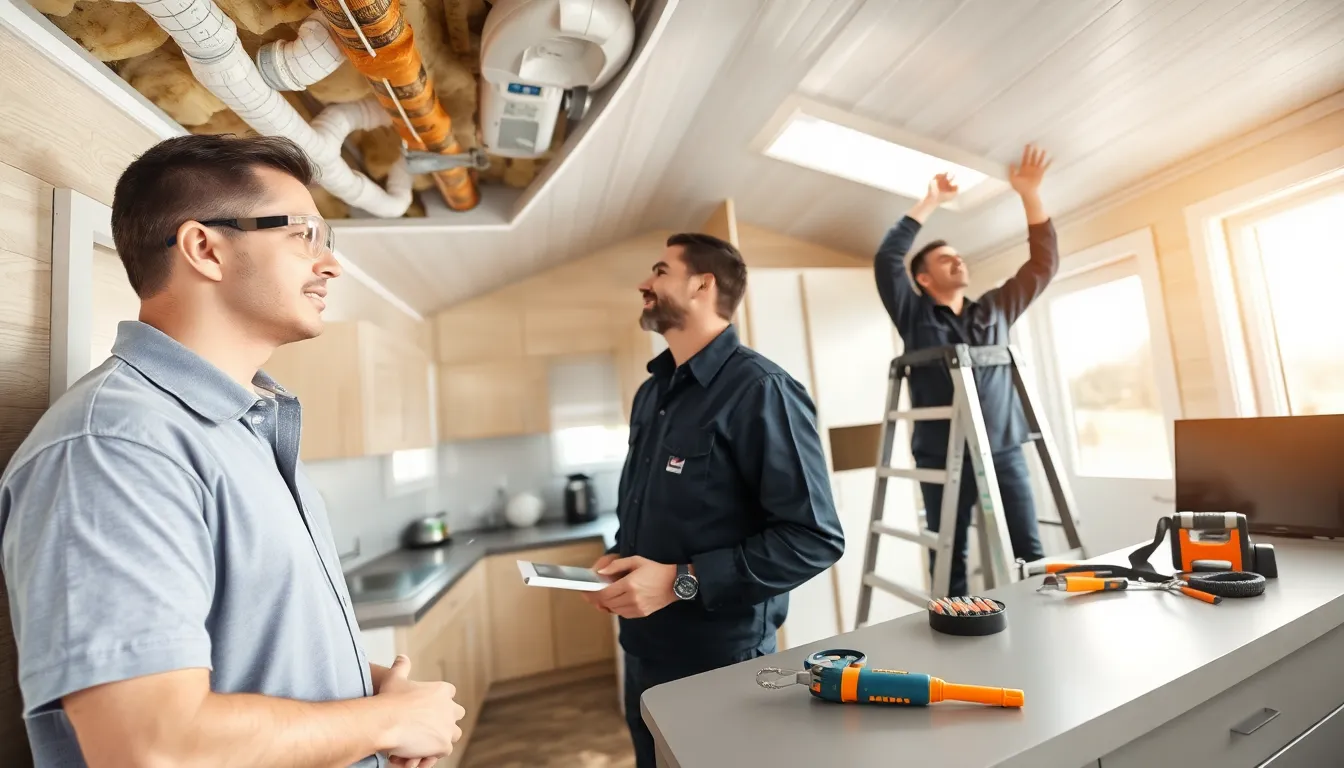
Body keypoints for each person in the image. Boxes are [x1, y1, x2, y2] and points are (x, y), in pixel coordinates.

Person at [0, 134, 462, 768]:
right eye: (303, 234)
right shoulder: (114, 447)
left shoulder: (245, 425)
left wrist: (367, 697)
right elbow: (148, 742)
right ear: (204, 248)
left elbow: (253, 643)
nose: (329, 264)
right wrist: (383, 719)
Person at [583, 232, 846, 767]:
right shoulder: (651, 393)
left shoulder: (762, 389)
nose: (644, 283)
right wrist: (618, 559)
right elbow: (650, 506)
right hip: (641, 650)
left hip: (720, 664)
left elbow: (814, 539)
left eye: (659, 271)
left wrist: (681, 580)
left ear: (703, 285)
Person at [872, 144, 1058, 598]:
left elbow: (1042, 265)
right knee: (948, 555)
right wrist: (930, 201)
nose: (958, 260)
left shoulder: (994, 309)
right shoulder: (914, 316)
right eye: (943, 259)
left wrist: (1030, 195)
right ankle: (954, 638)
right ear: (923, 279)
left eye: (959, 256)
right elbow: (886, 260)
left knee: (1028, 553)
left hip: (1004, 451)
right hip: (942, 458)